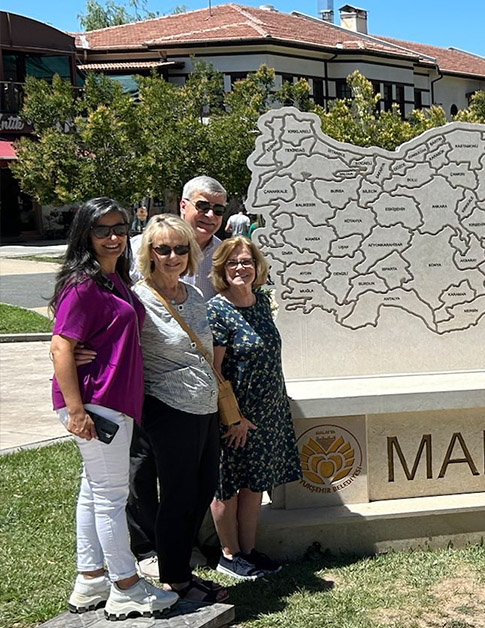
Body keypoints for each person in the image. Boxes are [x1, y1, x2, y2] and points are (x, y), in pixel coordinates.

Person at [49, 198, 178, 619]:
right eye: (101, 230)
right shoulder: (83, 284)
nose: (112, 237)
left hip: (110, 398)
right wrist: (75, 411)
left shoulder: (112, 278)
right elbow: (60, 347)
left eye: (119, 228)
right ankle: (125, 584)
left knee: (94, 492)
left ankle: (90, 579)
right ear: (84, 234)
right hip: (95, 402)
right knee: (110, 495)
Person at [127, 176, 226, 578]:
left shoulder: (197, 293)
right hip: (166, 409)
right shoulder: (138, 295)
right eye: (163, 250)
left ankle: (181, 561)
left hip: (204, 408)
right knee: (169, 491)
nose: (172, 256)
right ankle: (169, 569)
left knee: (200, 489)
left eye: (179, 250)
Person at [206, 237, 300, 580]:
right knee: (228, 487)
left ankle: (248, 551)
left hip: (268, 413)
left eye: (246, 261)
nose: (240, 268)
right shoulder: (217, 309)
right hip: (236, 419)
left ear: (257, 266)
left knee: (254, 486)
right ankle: (229, 555)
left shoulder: (260, 302)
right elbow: (214, 370)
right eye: (233, 263)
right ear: (221, 269)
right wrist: (234, 419)